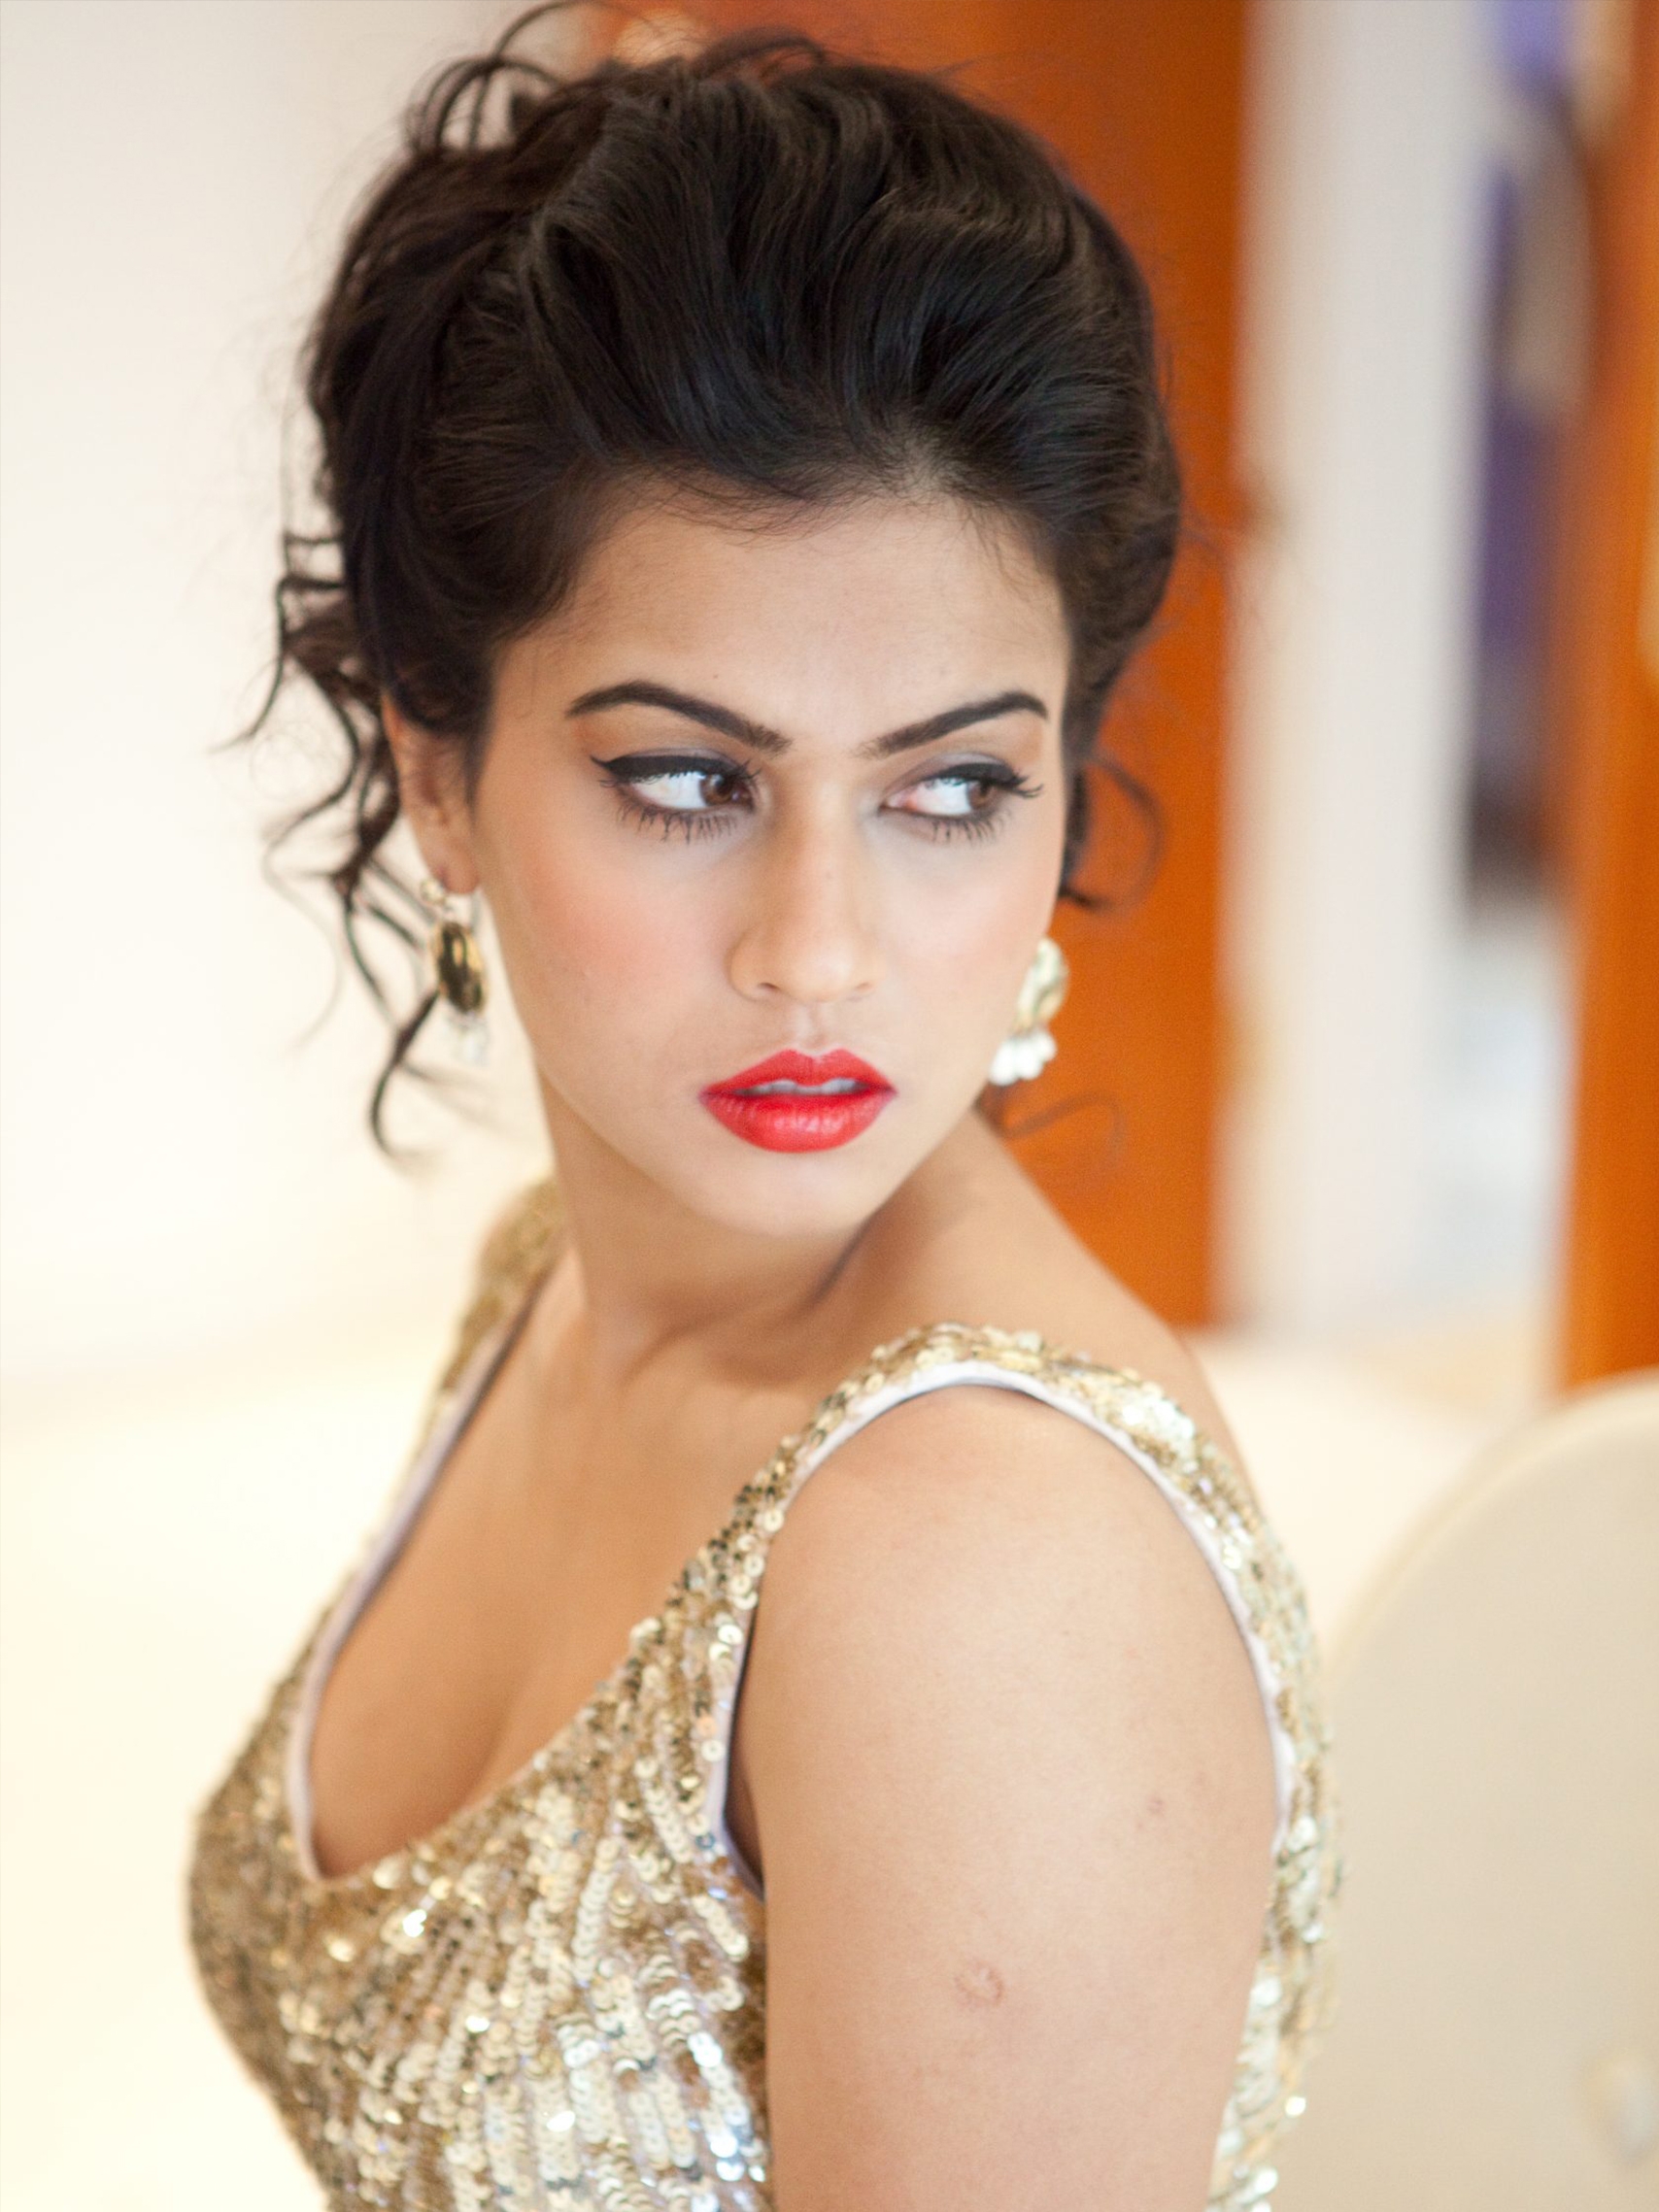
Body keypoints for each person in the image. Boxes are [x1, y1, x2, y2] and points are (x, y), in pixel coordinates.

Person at [187, 9, 1343, 2206]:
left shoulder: (981, 1558)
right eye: (688, 778)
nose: (819, 947)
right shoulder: (561, 1270)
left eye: (952, 788)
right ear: (437, 764)